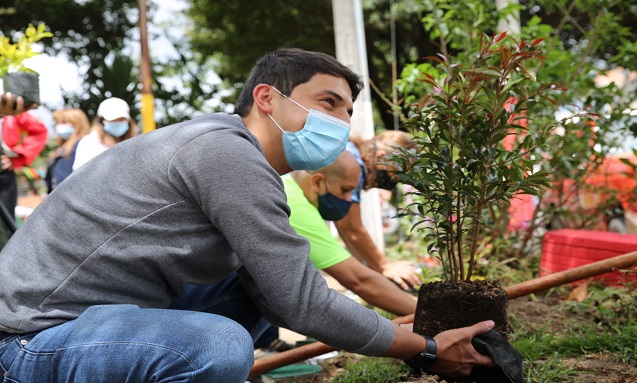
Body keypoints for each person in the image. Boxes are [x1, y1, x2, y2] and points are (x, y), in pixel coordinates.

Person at [0, 48, 494, 382]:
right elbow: (306, 304)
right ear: (266, 98)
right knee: (215, 346)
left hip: (88, 324)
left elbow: (285, 295)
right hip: (29, 338)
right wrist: (425, 348)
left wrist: (405, 335)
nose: (342, 123)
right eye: (328, 102)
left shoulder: (242, 161)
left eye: (346, 112)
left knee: (254, 291)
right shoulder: (224, 152)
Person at [256, 150, 418, 352]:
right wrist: (423, 311)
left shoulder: (288, 188)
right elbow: (358, 280)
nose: (348, 200)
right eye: (345, 190)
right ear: (317, 182)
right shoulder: (293, 206)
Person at [336, 131, 423, 290]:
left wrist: (369, 269)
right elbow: (350, 227)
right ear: (382, 156)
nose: (392, 182)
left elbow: (342, 224)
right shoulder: (353, 162)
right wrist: (384, 266)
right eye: (396, 174)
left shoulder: (349, 152)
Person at [0, 93, 48, 220]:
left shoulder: (11, 110)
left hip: (4, 175)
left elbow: (39, 131)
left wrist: (18, 157)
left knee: (5, 224)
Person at [72, 96, 136, 170]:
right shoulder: (90, 143)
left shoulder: (132, 142)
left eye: (121, 119)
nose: (117, 123)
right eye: (113, 120)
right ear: (101, 121)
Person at [45, 108, 91, 192]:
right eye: (57, 123)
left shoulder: (84, 146)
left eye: (64, 122)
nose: (59, 126)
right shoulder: (62, 148)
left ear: (77, 124)